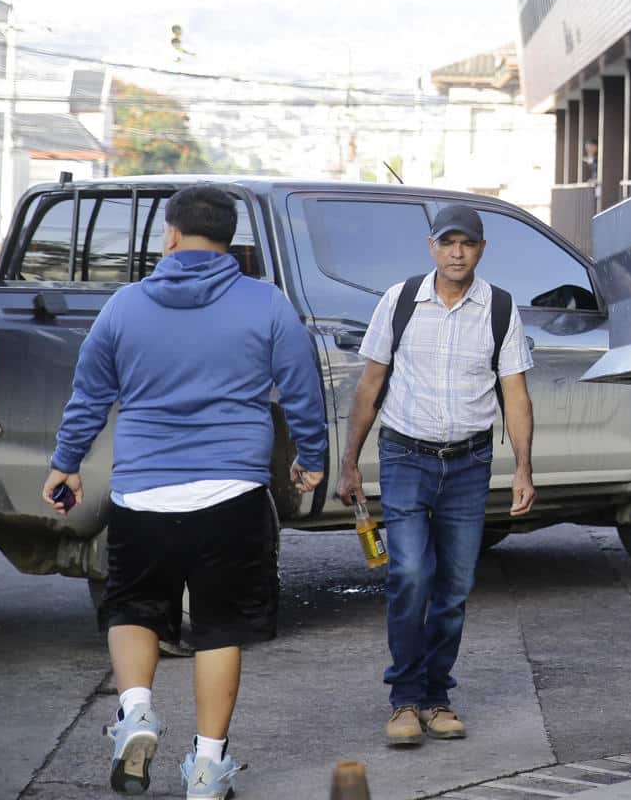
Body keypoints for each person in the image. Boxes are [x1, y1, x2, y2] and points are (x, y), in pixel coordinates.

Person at [43, 184, 328, 798]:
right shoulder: (266, 303)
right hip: (232, 494)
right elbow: (302, 388)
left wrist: (66, 463)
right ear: (230, 238)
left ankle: (137, 712)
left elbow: (90, 394)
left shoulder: (124, 305)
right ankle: (207, 768)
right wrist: (311, 457)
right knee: (219, 630)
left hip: (142, 495)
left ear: (170, 235)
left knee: (132, 610)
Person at [336, 204, 536, 748]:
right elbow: (369, 385)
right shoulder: (400, 301)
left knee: (454, 586)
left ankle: (435, 696)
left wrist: (523, 467)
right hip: (405, 457)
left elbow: (515, 393)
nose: (457, 253)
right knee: (410, 574)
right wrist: (350, 462)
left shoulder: (499, 308)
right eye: (447, 243)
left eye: (466, 244)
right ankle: (404, 699)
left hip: (469, 464)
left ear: (481, 249)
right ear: (432, 247)